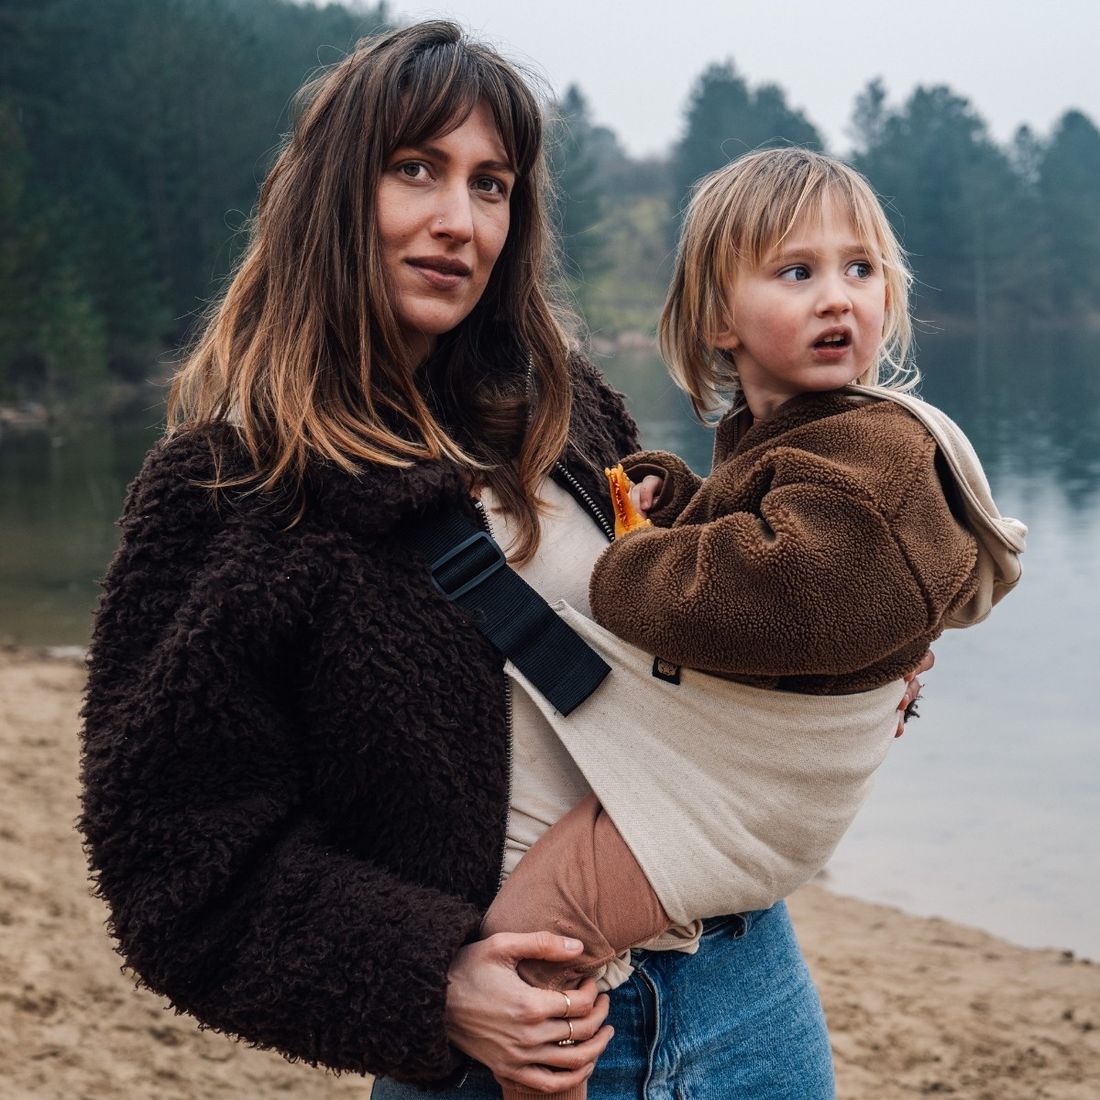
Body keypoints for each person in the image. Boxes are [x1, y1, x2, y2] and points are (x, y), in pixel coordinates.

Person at [78, 24, 925, 1100]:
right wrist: (433, 982)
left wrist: (841, 659)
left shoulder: (565, 410)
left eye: (491, 184)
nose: (455, 220)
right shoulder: (230, 492)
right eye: (415, 169)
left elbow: (684, 644)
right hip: (518, 1041)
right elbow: (175, 862)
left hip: (749, 993)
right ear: (334, 191)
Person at [479, 148, 1025, 1100]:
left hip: (750, 793)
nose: (837, 298)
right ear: (716, 321)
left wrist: (633, 561)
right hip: (730, 779)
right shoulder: (786, 440)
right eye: (796, 271)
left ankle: (543, 1072)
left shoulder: (874, 446)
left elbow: (793, 595)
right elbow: (759, 546)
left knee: (539, 920)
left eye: (861, 270)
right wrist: (681, 505)